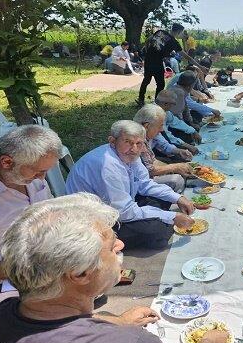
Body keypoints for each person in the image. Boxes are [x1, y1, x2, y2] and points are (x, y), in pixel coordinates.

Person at [0, 193, 243, 343]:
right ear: (79, 273)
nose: (121, 245)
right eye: (109, 244)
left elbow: (52, 328)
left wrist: (118, 321)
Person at [66, 120, 196, 250]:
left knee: (162, 202)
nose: (134, 149)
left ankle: (158, 219)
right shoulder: (107, 166)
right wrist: (171, 216)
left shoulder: (130, 155)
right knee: (158, 232)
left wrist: (178, 198)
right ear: (112, 141)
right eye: (127, 142)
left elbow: (145, 184)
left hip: (118, 205)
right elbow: (124, 212)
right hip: (95, 221)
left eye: (139, 143)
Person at [0, 125, 61, 300]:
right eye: (38, 171)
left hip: (42, 253)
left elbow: (48, 211)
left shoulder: (25, 172)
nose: (42, 178)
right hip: (4, 275)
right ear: (6, 162)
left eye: (45, 171)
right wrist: (29, 269)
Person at [137, 24, 206, 106]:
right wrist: (200, 66)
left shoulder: (160, 32)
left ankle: (141, 99)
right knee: (160, 84)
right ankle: (157, 103)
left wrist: (148, 51)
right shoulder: (174, 43)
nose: (182, 34)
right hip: (157, 62)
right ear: (179, 32)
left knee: (146, 80)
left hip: (148, 59)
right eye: (182, 33)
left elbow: (148, 40)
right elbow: (188, 57)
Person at [133, 103, 194, 193]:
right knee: (177, 180)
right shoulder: (137, 140)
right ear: (146, 126)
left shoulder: (145, 133)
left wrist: (176, 168)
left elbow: (154, 159)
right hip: (136, 183)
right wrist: (175, 168)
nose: (162, 129)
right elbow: (150, 170)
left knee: (178, 169)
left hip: (143, 175)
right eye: (160, 126)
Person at [155, 88, 200, 157]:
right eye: (172, 104)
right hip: (154, 147)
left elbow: (176, 122)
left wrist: (193, 131)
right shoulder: (155, 114)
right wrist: (186, 146)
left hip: (162, 142)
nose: (173, 106)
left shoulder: (165, 111)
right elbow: (166, 136)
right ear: (166, 104)